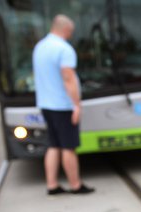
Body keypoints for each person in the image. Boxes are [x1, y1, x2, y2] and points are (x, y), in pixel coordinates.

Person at [33, 15, 94, 195]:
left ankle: (52, 185)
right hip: (62, 105)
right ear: (66, 29)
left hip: (46, 104)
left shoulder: (39, 47)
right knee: (68, 147)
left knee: (53, 145)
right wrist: (76, 105)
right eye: (71, 31)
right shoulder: (64, 49)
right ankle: (75, 185)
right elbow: (68, 78)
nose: (71, 34)